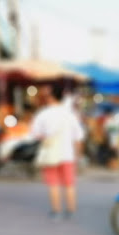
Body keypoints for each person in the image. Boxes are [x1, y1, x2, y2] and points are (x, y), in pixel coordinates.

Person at [30, 84, 85, 220]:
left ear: (50, 97)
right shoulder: (70, 115)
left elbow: (35, 134)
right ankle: (71, 211)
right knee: (69, 184)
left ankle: (56, 211)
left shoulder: (43, 114)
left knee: (53, 184)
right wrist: (78, 155)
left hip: (50, 154)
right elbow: (78, 137)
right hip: (68, 155)